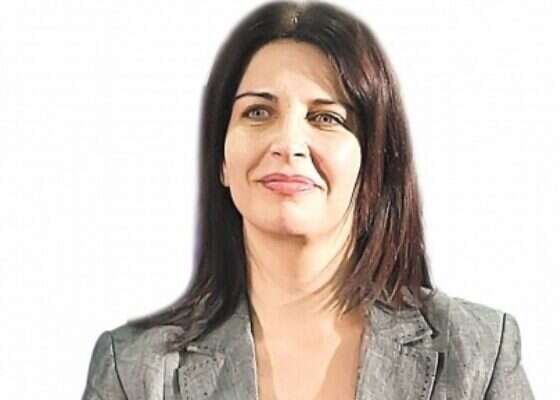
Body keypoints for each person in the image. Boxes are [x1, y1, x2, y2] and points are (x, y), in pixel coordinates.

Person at [81, 2, 535, 399]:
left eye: (325, 117)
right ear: (221, 160)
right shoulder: (136, 369)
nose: (288, 143)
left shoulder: (476, 355)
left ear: (372, 163)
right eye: (258, 112)